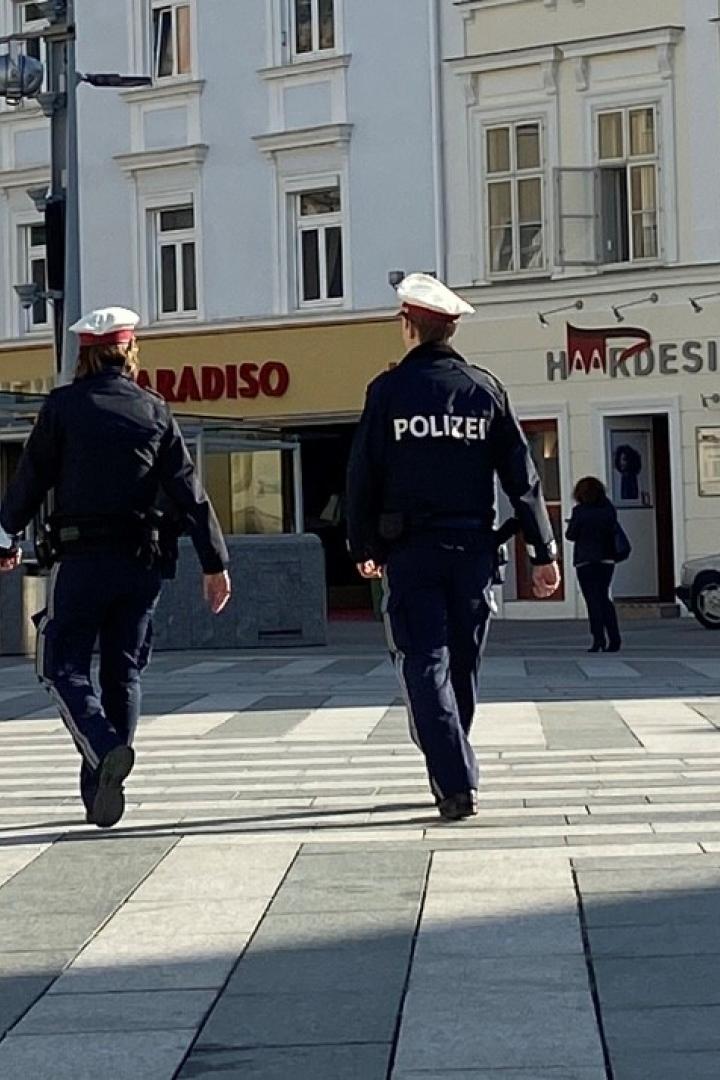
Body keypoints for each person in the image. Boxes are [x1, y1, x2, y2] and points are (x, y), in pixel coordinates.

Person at [0, 307, 231, 828]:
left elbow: (31, 479)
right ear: (129, 352)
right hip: (143, 565)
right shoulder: (155, 410)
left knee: (60, 666)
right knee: (122, 673)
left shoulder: (63, 408)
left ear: (84, 353)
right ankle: (100, 789)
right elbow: (189, 492)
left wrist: (6, 534)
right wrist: (215, 562)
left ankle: (105, 749)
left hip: (82, 563)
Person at [346, 273, 560, 822]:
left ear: (410, 325)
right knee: (461, 665)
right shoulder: (482, 389)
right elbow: (523, 476)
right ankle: (452, 764)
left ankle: (453, 772)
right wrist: (544, 551)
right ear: (451, 328)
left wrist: (363, 543)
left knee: (424, 661)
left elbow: (362, 475)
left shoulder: (387, 392)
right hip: (474, 551)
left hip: (412, 551)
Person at [566, 476, 621, 653]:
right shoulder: (608, 510)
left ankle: (598, 639)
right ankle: (614, 637)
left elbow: (571, 535)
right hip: (606, 559)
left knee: (592, 600)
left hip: (585, 560)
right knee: (604, 597)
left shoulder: (580, 512)